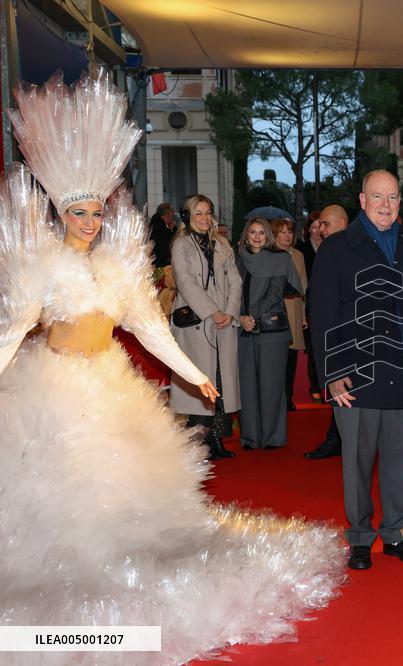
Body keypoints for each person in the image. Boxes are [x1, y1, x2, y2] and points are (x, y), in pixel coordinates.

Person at [0, 70, 345, 663]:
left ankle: (120, 559)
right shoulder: (44, 268)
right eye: (79, 213)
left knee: (121, 481)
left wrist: (193, 372)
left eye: (96, 212)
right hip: (53, 391)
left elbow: (150, 328)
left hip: (107, 383)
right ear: (62, 213)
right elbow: (10, 332)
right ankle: (77, 569)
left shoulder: (117, 268)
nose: (90, 222)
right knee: (60, 490)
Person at [310, 170, 403, 570]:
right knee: (357, 463)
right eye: (377, 196)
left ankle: (395, 534)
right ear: (362, 200)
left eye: (392, 197)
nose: (385, 205)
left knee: (398, 462)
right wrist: (331, 373)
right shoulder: (337, 248)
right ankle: (360, 537)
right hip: (356, 374)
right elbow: (322, 313)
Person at [171, 193, 242, 461]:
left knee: (220, 379)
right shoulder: (181, 245)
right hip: (197, 322)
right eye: (197, 213)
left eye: (207, 212)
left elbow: (235, 281)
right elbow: (185, 282)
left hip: (223, 321)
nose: (203, 218)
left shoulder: (222, 243)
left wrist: (230, 312)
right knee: (199, 381)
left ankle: (216, 440)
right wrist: (212, 312)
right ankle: (198, 442)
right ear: (187, 216)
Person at [236, 218, 302, 450]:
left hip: (271, 333)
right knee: (247, 387)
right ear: (246, 235)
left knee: (272, 387)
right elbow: (230, 293)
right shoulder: (237, 260)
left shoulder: (280, 259)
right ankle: (250, 437)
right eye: (252, 232)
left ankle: (272, 437)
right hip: (243, 330)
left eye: (261, 233)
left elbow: (275, 294)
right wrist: (240, 317)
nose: (256, 236)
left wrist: (250, 316)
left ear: (268, 236)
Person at [304, 203, 351, 460]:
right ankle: (338, 438)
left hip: (341, 335)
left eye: (326, 223)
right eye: (320, 224)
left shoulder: (347, 251)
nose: (320, 228)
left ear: (341, 223)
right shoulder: (328, 248)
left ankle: (339, 439)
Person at [272, 218, 309, 412]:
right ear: (274, 235)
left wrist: (303, 314)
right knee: (276, 357)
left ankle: (288, 396)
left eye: (290, 232)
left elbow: (303, 286)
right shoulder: (268, 254)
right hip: (275, 309)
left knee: (291, 356)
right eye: (282, 232)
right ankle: (276, 397)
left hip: (294, 308)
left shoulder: (298, 255)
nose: (287, 236)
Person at [150, 201, 178, 267]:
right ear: (165, 216)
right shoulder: (158, 227)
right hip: (159, 264)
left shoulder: (165, 226)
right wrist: (171, 230)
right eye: (172, 216)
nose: (173, 218)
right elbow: (165, 246)